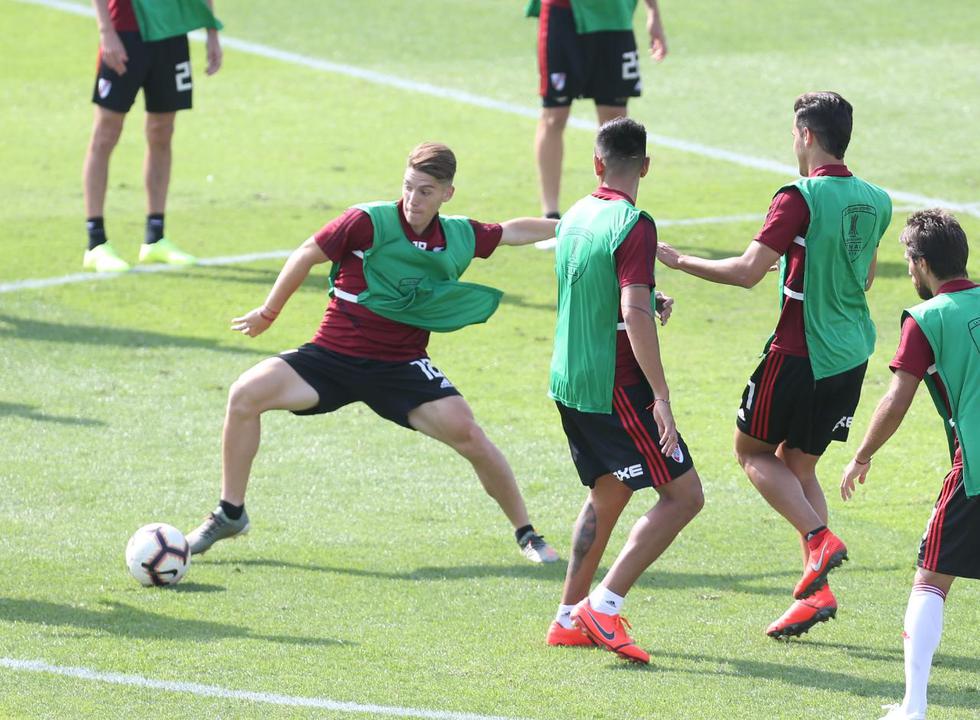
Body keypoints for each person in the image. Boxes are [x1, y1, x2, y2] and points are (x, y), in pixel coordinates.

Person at [186, 143, 561, 564]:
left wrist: (570, 227)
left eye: (425, 191)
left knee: (469, 434)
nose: (413, 200)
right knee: (244, 394)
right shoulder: (367, 221)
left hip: (399, 366)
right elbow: (308, 253)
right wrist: (269, 312)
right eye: (408, 188)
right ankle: (230, 512)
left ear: (446, 194)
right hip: (331, 357)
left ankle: (527, 534)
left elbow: (511, 232)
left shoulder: (457, 235)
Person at [656, 92, 893, 638]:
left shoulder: (798, 197)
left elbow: (746, 271)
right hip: (852, 353)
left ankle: (819, 540)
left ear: (806, 135)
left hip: (799, 350)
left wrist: (677, 259)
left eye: (793, 133)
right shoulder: (876, 199)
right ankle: (816, 594)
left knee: (752, 451)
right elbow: (866, 277)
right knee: (799, 463)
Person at [545, 117, 703, 663]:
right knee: (684, 496)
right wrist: (660, 396)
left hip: (569, 378)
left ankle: (567, 617)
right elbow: (632, 312)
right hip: (616, 383)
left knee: (610, 491)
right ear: (646, 166)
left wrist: (644, 300)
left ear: (596, 164)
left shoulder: (574, 216)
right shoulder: (634, 223)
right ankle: (604, 606)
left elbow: (592, 290)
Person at [841, 210, 978, 720]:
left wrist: (862, 455)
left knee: (930, 581)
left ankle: (913, 707)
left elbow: (896, 398)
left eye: (908, 262)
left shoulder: (927, 318)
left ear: (921, 264)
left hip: (976, 467)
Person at [82, 0, 223, 273]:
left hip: (170, 32)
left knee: (162, 131)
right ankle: (95, 242)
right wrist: (106, 31)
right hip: (123, 30)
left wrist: (211, 30)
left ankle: (155, 238)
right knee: (105, 133)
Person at [526, 0, 667, 219]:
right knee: (554, 116)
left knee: (614, 120)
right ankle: (550, 215)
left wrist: (653, 13)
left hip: (614, 16)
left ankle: (609, 210)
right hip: (565, 13)